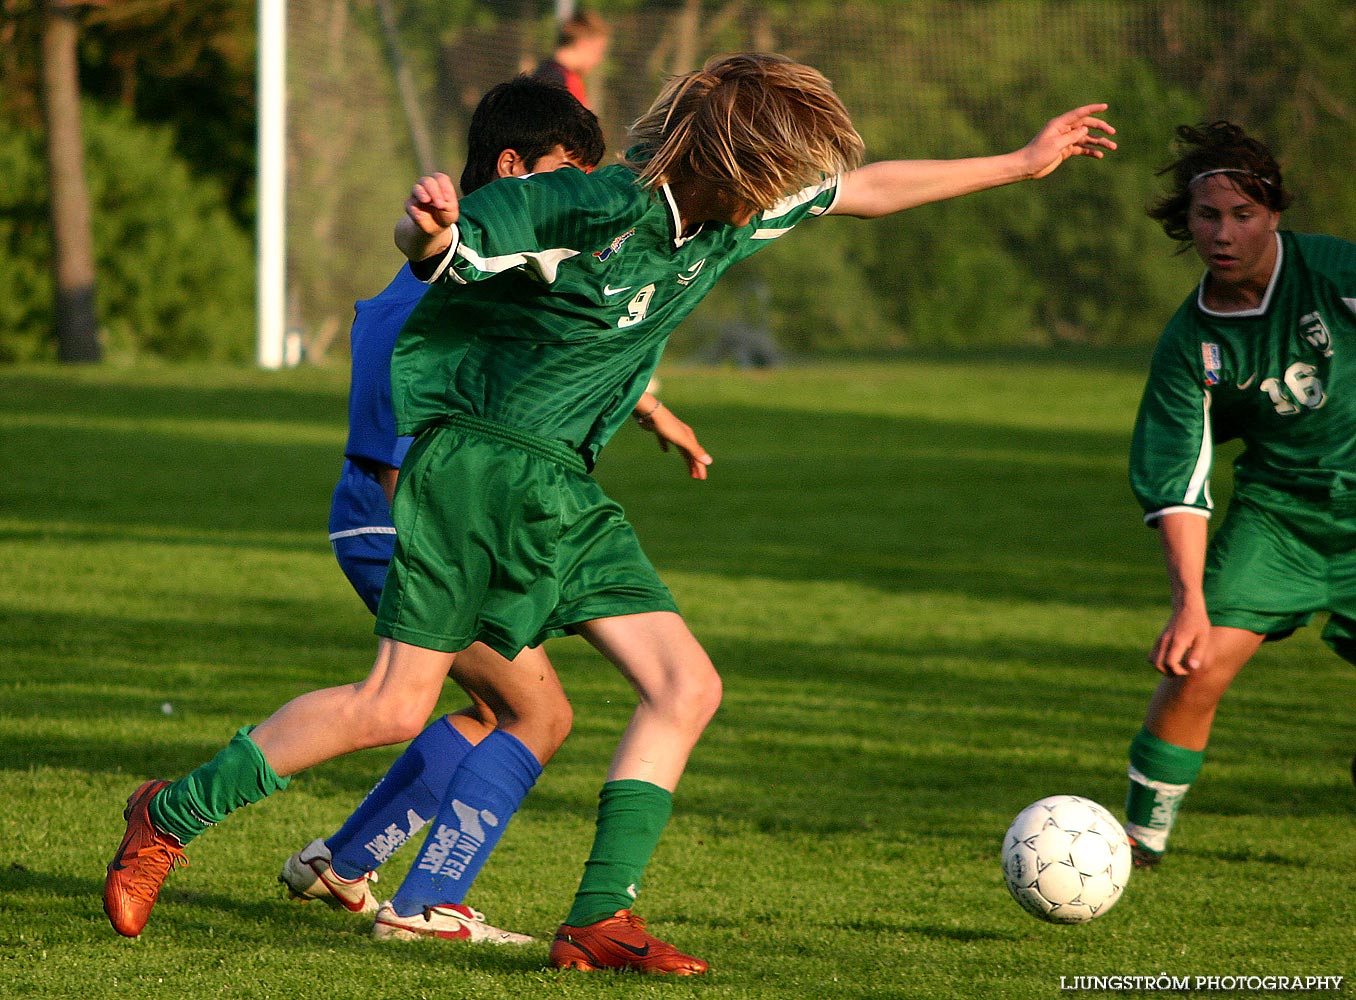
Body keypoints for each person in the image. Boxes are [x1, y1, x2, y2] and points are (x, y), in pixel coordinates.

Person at [104, 53, 1115, 974]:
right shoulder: (589, 206)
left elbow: (872, 187)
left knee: (686, 684)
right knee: (391, 707)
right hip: (473, 472)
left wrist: (1020, 163)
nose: (784, 196)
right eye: (772, 171)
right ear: (723, 158)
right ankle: (169, 813)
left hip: (566, 491)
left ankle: (597, 919)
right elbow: (445, 245)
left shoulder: (735, 213)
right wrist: (423, 229)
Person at [282, 76, 712, 944]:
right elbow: (418, 429)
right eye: (565, 175)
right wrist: (438, 547)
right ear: (514, 169)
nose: (581, 204)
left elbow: (548, 348)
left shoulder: (489, 268)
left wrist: (647, 403)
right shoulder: (443, 282)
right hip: (410, 520)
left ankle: (347, 862)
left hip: (421, 519)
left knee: (495, 710)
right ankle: (422, 904)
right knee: (534, 714)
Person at [1123, 120, 1356, 868]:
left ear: (1274, 214)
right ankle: (1139, 841)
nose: (1224, 233)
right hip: (1279, 517)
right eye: (1207, 216)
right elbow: (1179, 481)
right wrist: (1188, 600)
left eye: (1243, 214)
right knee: (1198, 661)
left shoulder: (1334, 275)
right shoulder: (1190, 342)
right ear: (1185, 224)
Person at [531, 9, 610, 109]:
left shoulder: (543, 72)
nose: (598, 60)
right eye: (598, 51)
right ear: (583, 44)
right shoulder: (562, 82)